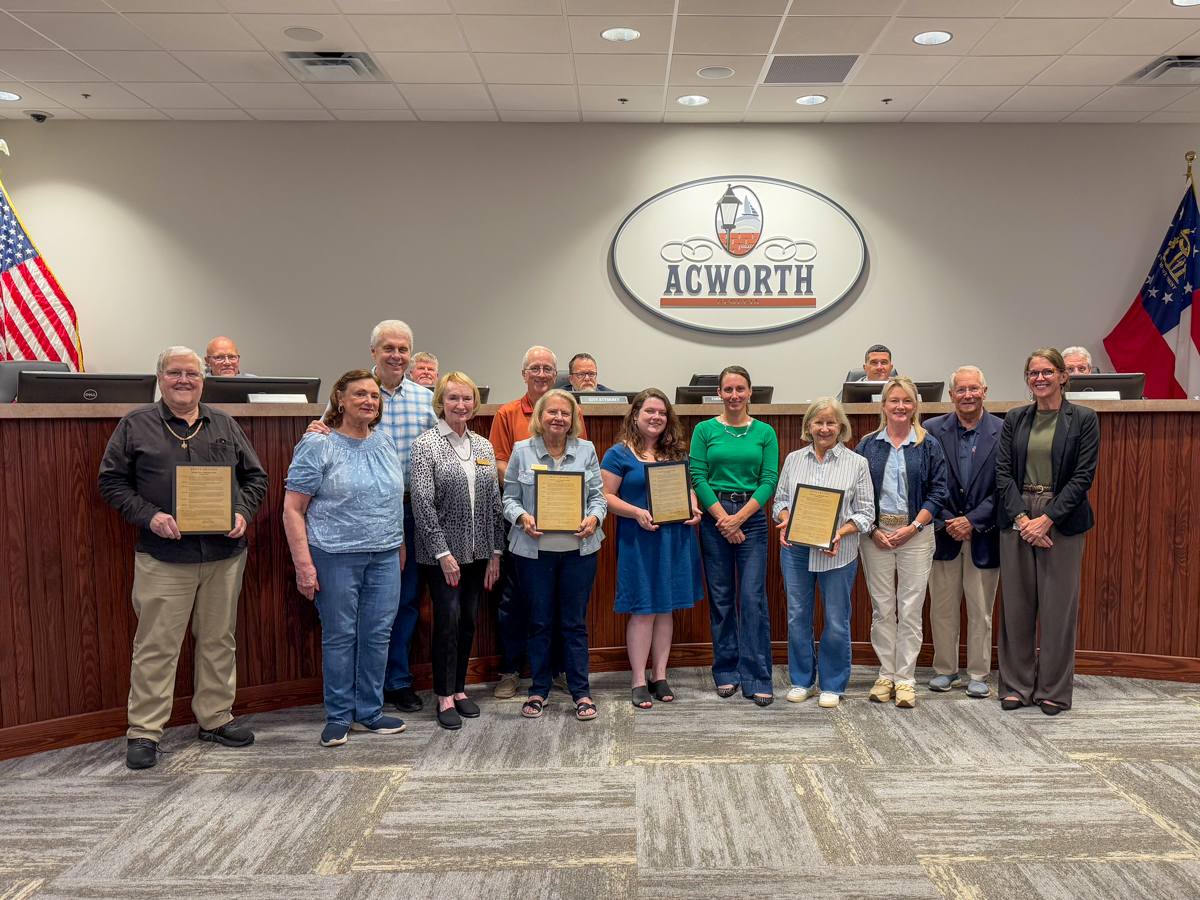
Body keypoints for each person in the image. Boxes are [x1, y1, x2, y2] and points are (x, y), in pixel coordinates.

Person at [98, 346, 268, 770]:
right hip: (164, 555)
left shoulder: (224, 423)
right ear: (159, 378)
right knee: (156, 645)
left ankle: (214, 719)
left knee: (218, 639)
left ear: (202, 380)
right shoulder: (135, 425)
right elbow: (111, 482)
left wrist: (243, 512)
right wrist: (150, 516)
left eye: (191, 373)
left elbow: (256, 477)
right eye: (175, 373)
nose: (184, 380)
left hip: (224, 554)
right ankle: (144, 732)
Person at [306, 320, 436, 715]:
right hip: (352, 521)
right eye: (388, 348)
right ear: (374, 352)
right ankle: (356, 697)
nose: (396, 355)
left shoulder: (427, 399)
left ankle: (394, 681)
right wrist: (316, 427)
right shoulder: (355, 392)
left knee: (404, 601)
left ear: (410, 354)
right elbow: (328, 433)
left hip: (411, 512)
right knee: (353, 615)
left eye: (402, 349)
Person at [283, 370, 408, 747]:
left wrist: (399, 543)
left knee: (377, 635)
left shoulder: (385, 442)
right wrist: (304, 565)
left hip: (385, 555)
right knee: (340, 637)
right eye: (359, 394)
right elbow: (292, 509)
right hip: (334, 556)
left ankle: (369, 712)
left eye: (374, 396)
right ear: (339, 399)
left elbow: (393, 499)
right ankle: (339, 714)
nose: (369, 401)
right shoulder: (318, 444)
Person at [996, 348, 1099, 715]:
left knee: (1058, 607)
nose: (1039, 378)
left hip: (1062, 518)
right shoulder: (1015, 419)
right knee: (1016, 606)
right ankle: (1015, 686)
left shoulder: (1083, 419)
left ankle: (1053, 690)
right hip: (1018, 516)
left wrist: (1047, 519)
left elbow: (1083, 476)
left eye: (1047, 371)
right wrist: (1024, 520)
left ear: (1062, 376)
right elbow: (1003, 473)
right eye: (1033, 373)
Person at [409, 372, 505, 730]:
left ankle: (460, 688)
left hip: (479, 551)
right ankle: (443, 695)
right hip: (443, 555)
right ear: (441, 403)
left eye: (466, 399)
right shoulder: (426, 445)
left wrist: (496, 551)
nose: (460, 405)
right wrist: (441, 553)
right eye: (452, 399)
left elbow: (494, 502)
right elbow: (422, 503)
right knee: (447, 622)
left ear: (475, 404)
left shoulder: (482, 445)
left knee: (468, 619)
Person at [502, 389, 606, 721]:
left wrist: (595, 517)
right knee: (539, 622)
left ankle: (581, 691)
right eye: (552, 413)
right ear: (540, 417)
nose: (558, 418)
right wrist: (521, 517)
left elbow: (598, 497)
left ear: (573, 419)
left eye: (565, 413)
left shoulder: (586, 449)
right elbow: (508, 499)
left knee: (574, 624)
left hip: (580, 550)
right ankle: (539, 689)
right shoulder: (521, 450)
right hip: (534, 552)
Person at [489, 346, 586, 699]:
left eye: (548, 368)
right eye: (535, 368)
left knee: (561, 606)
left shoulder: (570, 412)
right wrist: (533, 481)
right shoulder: (507, 413)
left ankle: (558, 672)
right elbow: (498, 463)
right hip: (525, 523)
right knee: (517, 603)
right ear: (525, 373)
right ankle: (512, 670)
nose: (542, 374)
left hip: (567, 530)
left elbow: (580, 466)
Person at [600, 388, 704, 709]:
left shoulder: (676, 454)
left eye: (662, 413)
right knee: (643, 610)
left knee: (665, 608)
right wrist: (636, 512)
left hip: (674, 540)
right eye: (649, 412)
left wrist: (694, 507)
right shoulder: (618, 454)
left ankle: (660, 675)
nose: (656, 417)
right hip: (639, 539)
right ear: (635, 415)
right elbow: (605, 496)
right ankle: (638, 679)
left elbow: (688, 490)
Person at [855, 376, 949, 709]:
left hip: (916, 536)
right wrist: (871, 531)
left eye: (906, 401)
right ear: (883, 406)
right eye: (893, 401)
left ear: (915, 406)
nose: (900, 407)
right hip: (875, 536)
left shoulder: (929, 444)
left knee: (909, 610)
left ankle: (906, 679)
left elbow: (939, 492)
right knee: (882, 610)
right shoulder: (867, 445)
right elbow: (856, 494)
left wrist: (913, 527)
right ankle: (885, 674)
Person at [773, 398, 874, 709]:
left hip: (838, 553)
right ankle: (802, 680)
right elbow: (779, 502)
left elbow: (867, 513)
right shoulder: (793, 459)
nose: (825, 428)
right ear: (808, 426)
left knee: (837, 620)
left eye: (831, 422)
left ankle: (832, 684)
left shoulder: (857, 463)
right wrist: (786, 518)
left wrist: (839, 532)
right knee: (797, 617)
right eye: (819, 422)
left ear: (841, 427)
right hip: (797, 553)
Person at [690, 365, 779, 706]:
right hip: (716, 518)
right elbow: (698, 476)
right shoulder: (704, 429)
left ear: (750, 392)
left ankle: (757, 675)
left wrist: (739, 519)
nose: (734, 395)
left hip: (752, 519)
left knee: (753, 598)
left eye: (740, 389)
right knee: (722, 598)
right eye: (728, 390)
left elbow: (769, 479)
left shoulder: (765, 432)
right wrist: (723, 519)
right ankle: (726, 671)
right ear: (719, 394)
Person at [923, 367, 1003, 699]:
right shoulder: (930, 429)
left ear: (984, 391)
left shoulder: (1004, 429)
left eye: (973, 389)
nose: (967, 395)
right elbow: (923, 482)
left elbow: (1006, 486)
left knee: (981, 608)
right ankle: (945, 670)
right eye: (960, 389)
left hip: (984, 533)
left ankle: (978, 673)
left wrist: (972, 520)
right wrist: (948, 520)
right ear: (951, 394)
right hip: (943, 534)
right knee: (941, 607)